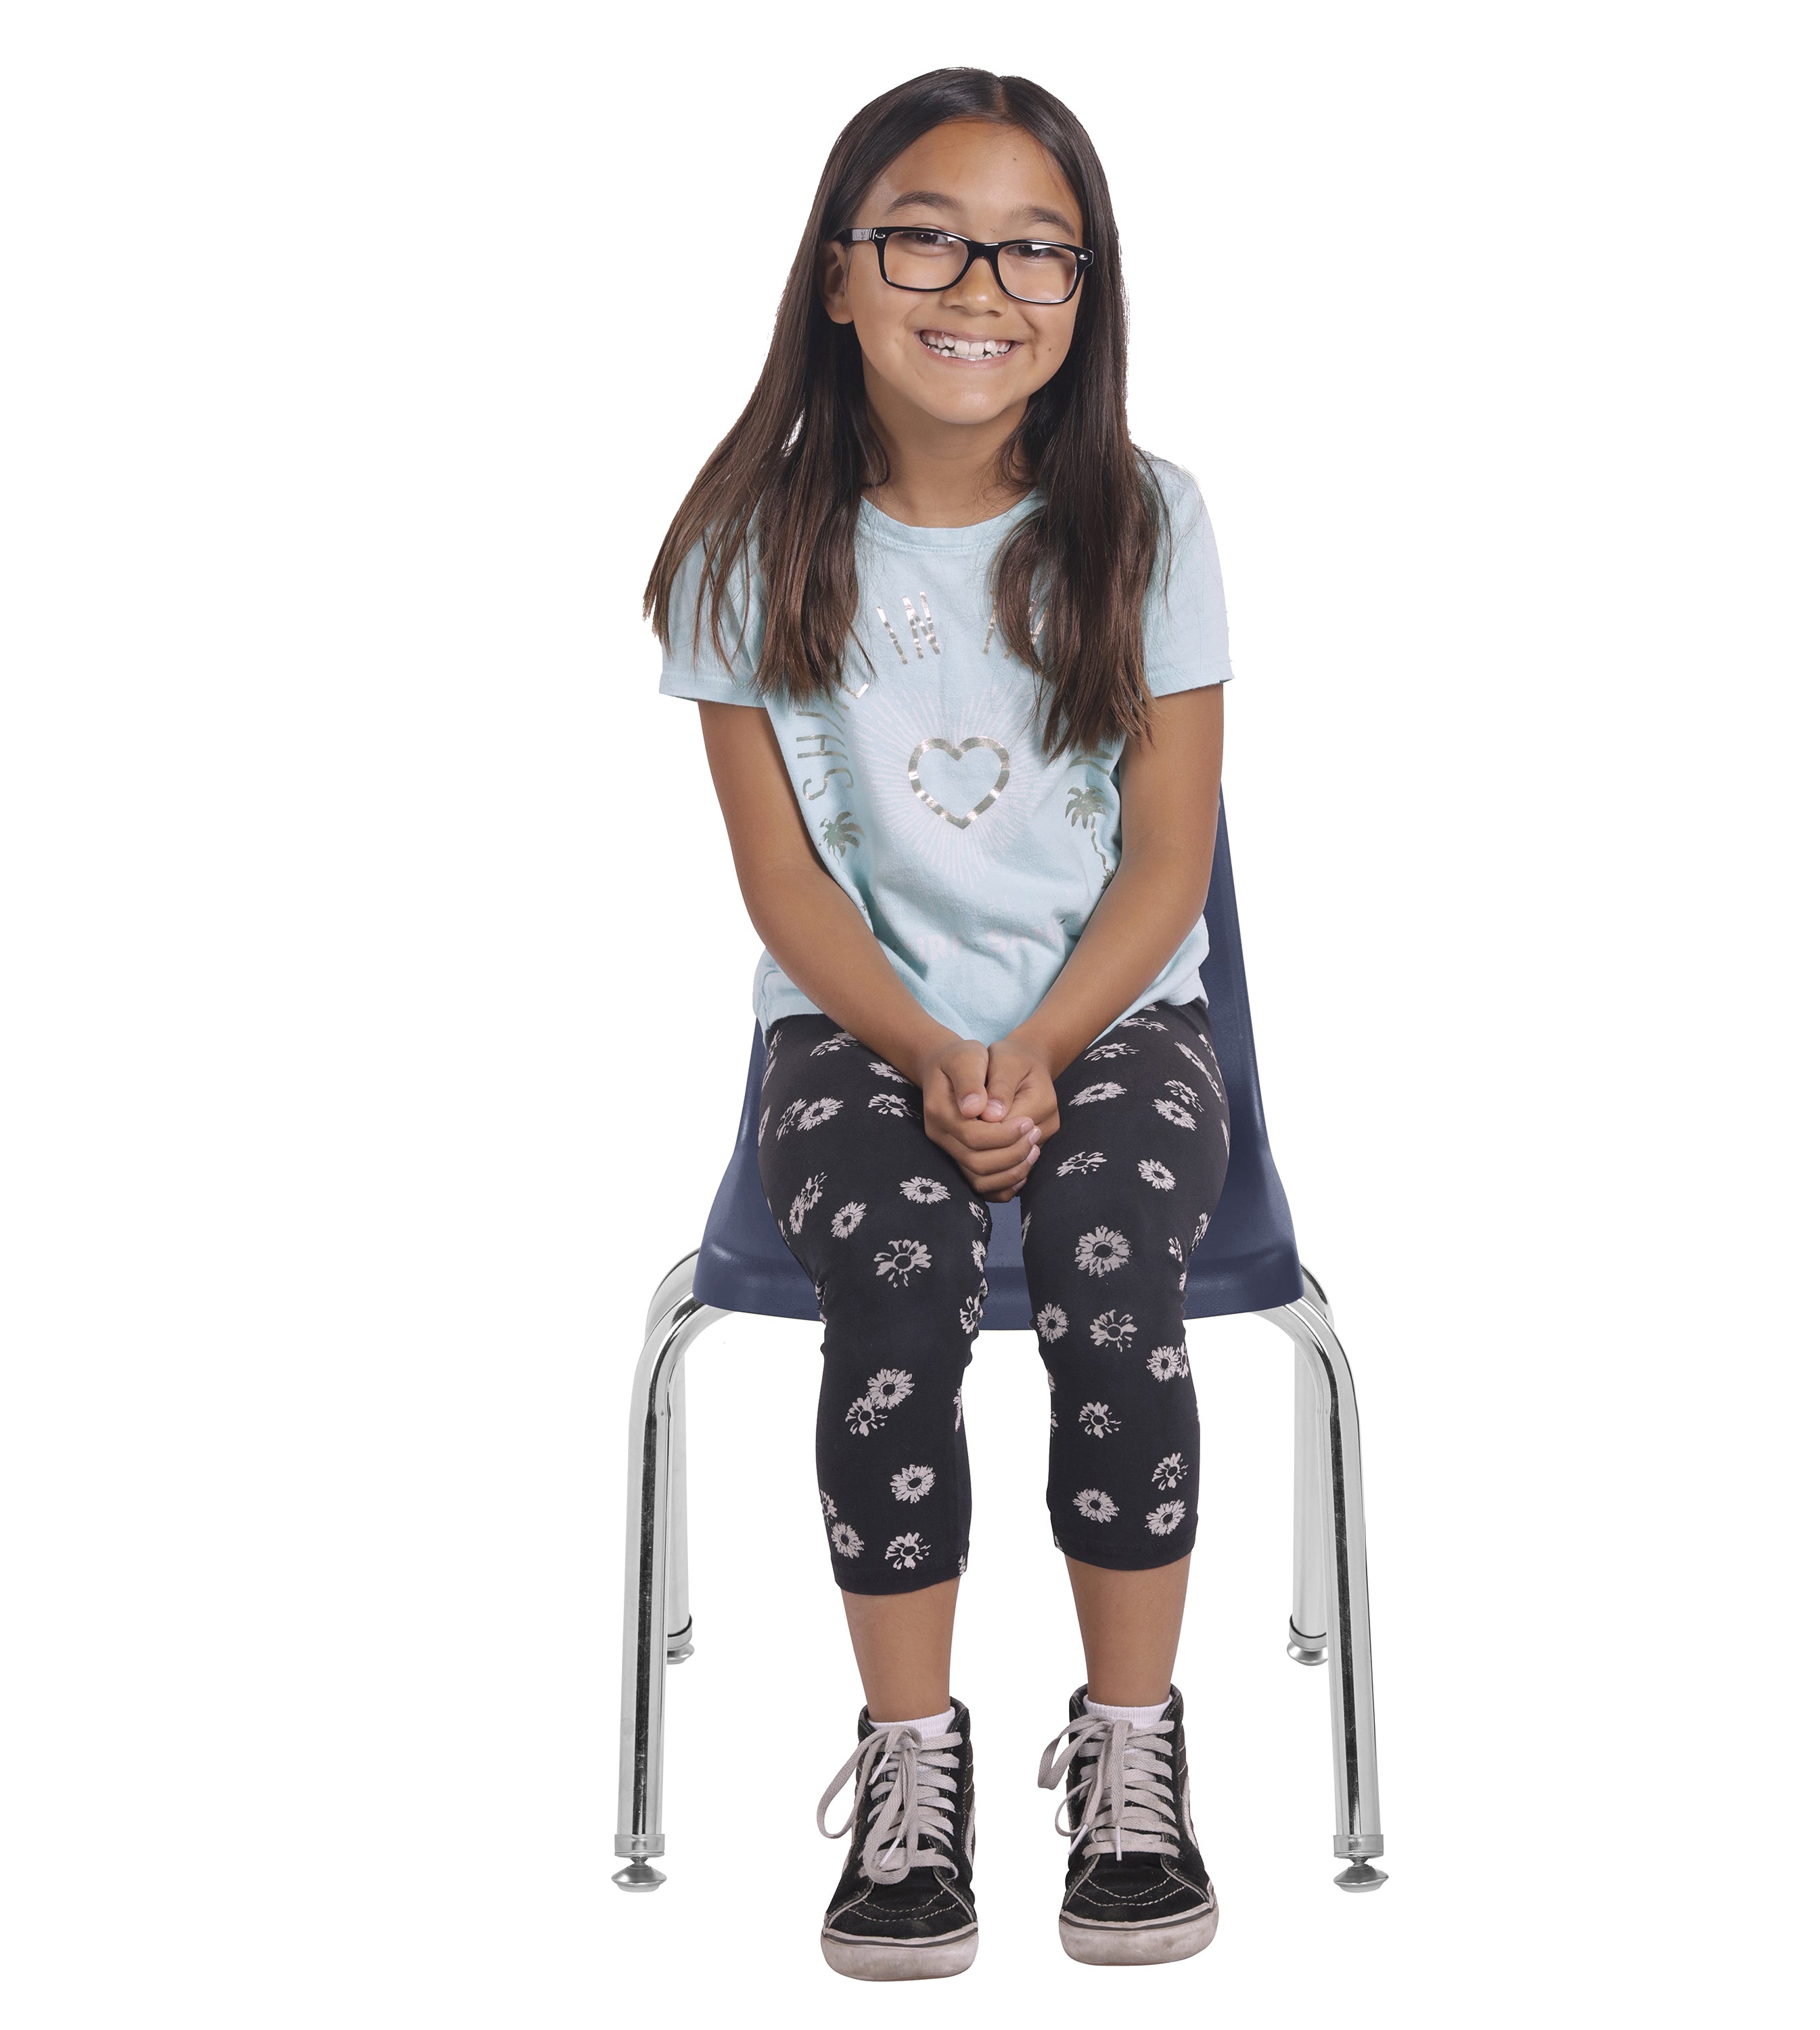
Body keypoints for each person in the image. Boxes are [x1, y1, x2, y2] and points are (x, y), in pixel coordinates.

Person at [645, 66, 1233, 1979]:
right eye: (924, 231)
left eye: (1034, 245)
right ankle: (913, 1774)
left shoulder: (1147, 522)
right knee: (899, 1264)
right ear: (836, 274)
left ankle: (1132, 1752)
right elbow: (788, 888)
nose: (978, 279)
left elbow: (1166, 869)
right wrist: (931, 1057)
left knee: (1106, 1248)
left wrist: (1046, 1052)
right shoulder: (747, 544)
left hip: (1115, 1018)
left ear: (1087, 292)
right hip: (857, 1026)